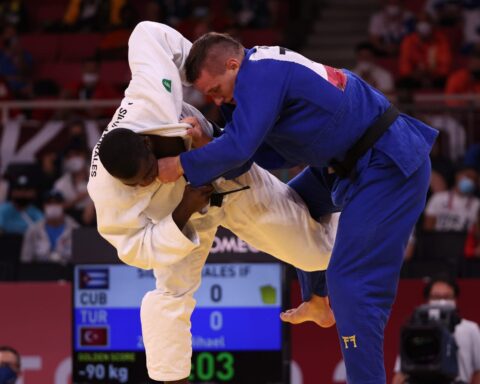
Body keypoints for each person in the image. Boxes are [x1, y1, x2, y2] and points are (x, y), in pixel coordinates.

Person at [156, 31, 438, 383]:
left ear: (232, 64)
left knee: (350, 283)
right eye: (208, 95)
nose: (214, 99)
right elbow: (242, 155)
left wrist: (181, 165)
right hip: (344, 164)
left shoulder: (261, 73)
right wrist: (207, 135)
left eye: (215, 89)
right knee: (292, 211)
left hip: (388, 164)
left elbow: (240, 150)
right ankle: (317, 300)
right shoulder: (250, 78)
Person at [88, 21, 338, 384]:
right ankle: (169, 379)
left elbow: (147, 32)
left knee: (316, 255)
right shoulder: (106, 193)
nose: (151, 179)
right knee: (171, 293)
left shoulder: (150, 98)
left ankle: (332, 185)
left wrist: (198, 72)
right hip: (179, 219)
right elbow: (135, 250)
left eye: (150, 170)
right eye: (141, 183)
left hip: (217, 163)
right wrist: (184, 209)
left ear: (147, 142)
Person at [392, 277, 480, 384]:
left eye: (447, 297)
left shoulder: (470, 328)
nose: (442, 301)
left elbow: (478, 371)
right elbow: (401, 373)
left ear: (455, 299)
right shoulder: (415, 331)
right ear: (428, 299)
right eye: (436, 297)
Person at [20, 190, 78, 264]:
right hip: (40, 273)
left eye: (57, 203)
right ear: (43, 206)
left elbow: (82, 260)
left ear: (63, 205)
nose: (53, 206)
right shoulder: (33, 230)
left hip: (68, 273)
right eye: (49, 203)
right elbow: (25, 261)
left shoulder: (76, 229)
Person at [424, 166, 480, 232]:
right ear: (457, 175)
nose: (470, 181)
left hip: (465, 241)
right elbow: (428, 229)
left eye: (474, 179)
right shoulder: (438, 198)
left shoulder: (477, 204)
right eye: (468, 176)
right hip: (439, 240)